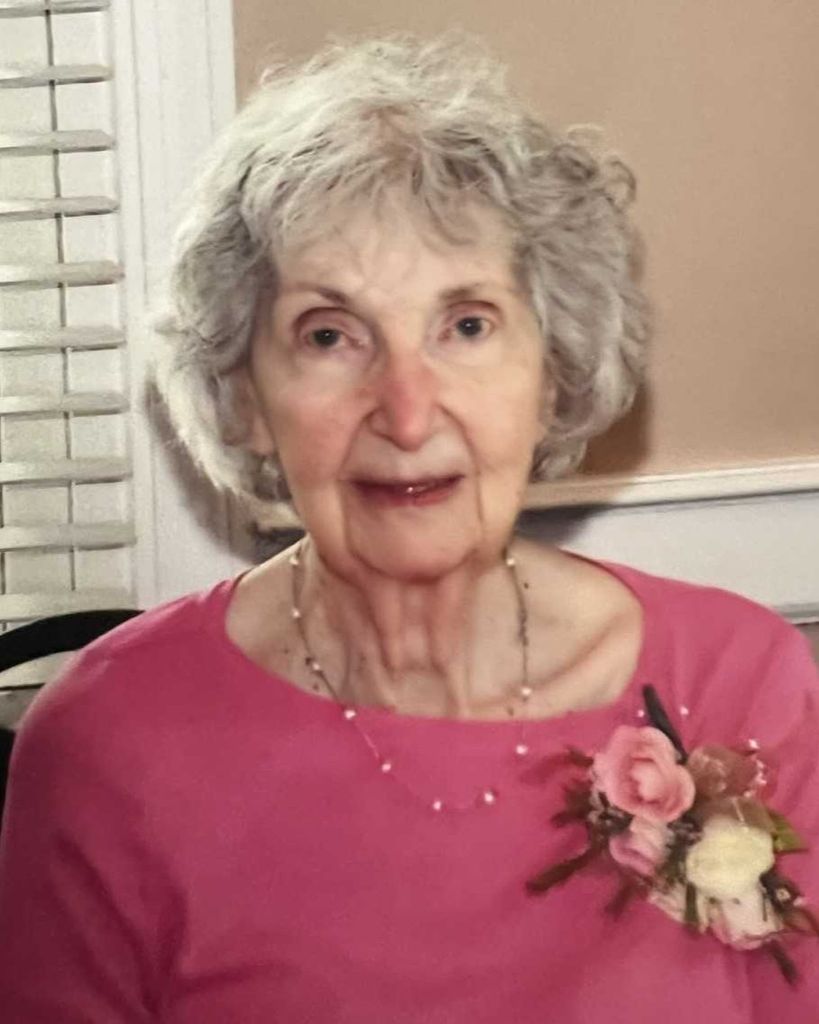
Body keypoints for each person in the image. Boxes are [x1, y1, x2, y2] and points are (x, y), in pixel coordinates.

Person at [0, 35, 816, 1024]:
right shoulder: (110, 744)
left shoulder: (740, 683)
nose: (407, 410)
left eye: (466, 325)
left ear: (552, 370)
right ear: (244, 396)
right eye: (329, 335)